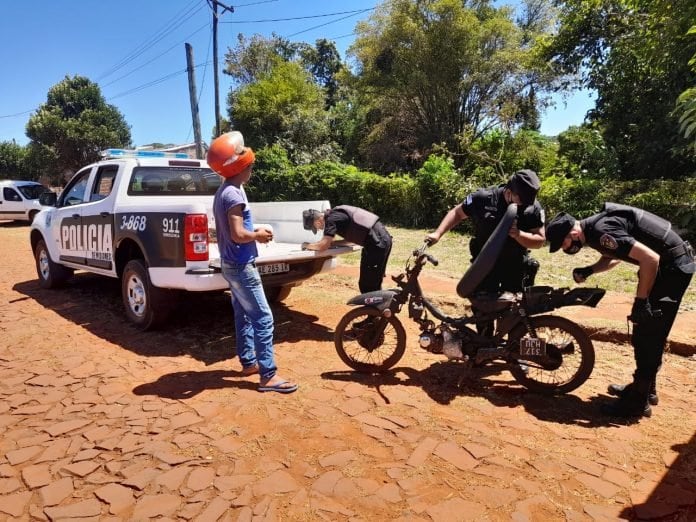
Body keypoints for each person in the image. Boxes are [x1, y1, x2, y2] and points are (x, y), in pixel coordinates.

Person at [546, 204, 695, 418]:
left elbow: (650, 259)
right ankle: (644, 389)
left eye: (564, 242)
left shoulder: (600, 230)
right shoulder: (594, 230)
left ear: (573, 232)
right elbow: (613, 257)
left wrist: (641, 301)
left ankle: (636, 404)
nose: (564, 248)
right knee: (648, 330)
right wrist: (590, 270)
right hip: (670, 265)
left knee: (648, 331)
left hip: (673, 268)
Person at [208, 132, 298, 394]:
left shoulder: (225, 191)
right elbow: (238, 234)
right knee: (263, 317)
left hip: (231, 262)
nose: (251, 169)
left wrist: (253, 229)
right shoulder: (233, 195)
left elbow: (233, 228)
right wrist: (257, 234)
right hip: (240, 264)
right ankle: (268, 375)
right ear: (241, 167)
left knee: (243, 314)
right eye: (250, 165)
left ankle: (249, 363)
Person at [426, 170, 546, 334]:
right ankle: (485, 349)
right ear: (509, 192)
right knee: (483, 309)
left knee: (516, 314)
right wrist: (438, 233)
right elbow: (457, 212)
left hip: (514, 266)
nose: (524, 205)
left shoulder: (533, 208)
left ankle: (512, 352)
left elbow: (540, 241)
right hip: (484, 266)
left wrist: (519, 235)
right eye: (521, 201)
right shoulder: (483, 198)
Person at [301, 206, 393, 294]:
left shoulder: (330, 220)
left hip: (376, 243)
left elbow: (322, 246)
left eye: (315, 227)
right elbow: (350, 240)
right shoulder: (335, 214)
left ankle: (376, 309)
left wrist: (307, 245)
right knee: (372, 281)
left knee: (368, 286)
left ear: (317, 222)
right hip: (380, 239)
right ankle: (377, 308)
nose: (319, 229)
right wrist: (332, 243)